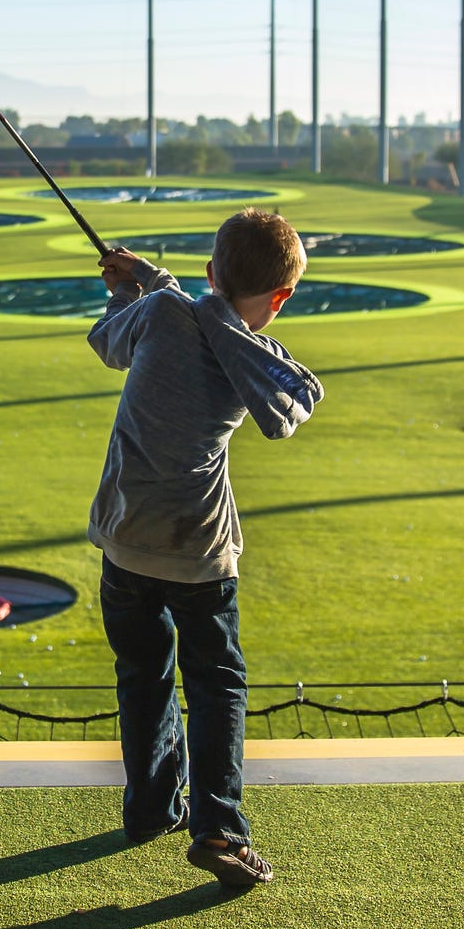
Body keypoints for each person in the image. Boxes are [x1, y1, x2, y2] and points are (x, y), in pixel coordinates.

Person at [86, 207, 324, 891]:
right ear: (280, 298)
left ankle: (149, 808)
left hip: (126, 538)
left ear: (211, 270)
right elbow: (287, 395)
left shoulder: (162, 312)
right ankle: (217, 826)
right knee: (215, 682)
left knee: (143, 674)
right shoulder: (247, 351)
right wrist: (154, 281)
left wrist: (129, 288)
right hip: (199, 550)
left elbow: (111, 338)